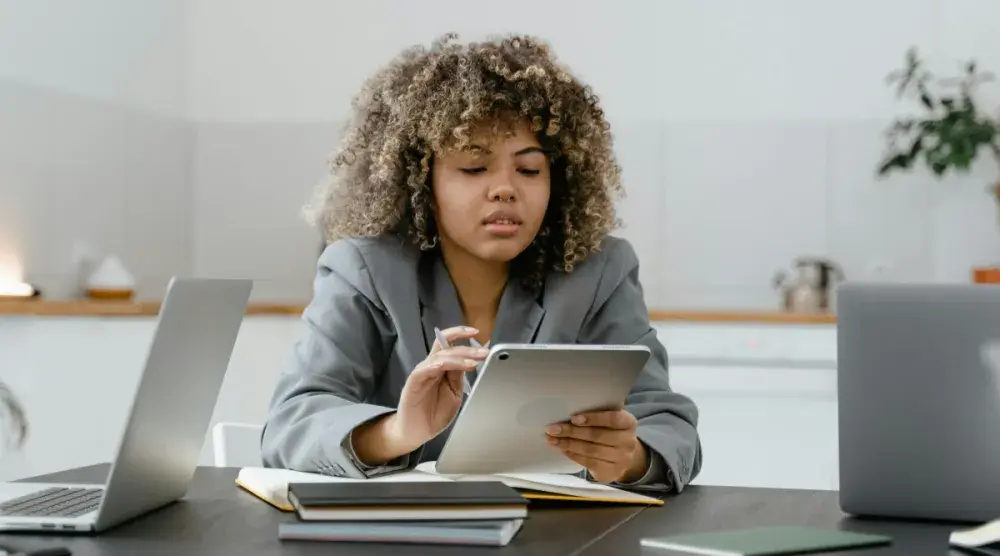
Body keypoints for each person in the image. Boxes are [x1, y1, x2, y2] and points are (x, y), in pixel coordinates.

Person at [260, 33, 702, 492]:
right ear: (420, 178)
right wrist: (397, 432)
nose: (506, 189)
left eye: (530, 169)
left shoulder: (599, 271)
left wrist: (629, 457)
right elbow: (291, 423)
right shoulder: (363, 270)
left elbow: (669, 424)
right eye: (474, 168)